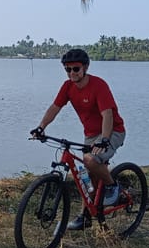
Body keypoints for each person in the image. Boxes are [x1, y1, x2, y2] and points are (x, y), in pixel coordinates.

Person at [29, 48, 126, 230]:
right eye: (68, 69)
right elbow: (55, 108)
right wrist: (41, 127)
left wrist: (104, 140)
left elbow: (108, 115)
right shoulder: (67, 87)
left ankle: (113, 187)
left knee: (89, 160)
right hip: (91, 135)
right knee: (85, 175)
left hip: (113, 131)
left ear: (85, 67)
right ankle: (86, 217)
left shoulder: (99, 85)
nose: (71, 73)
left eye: (75, 69)